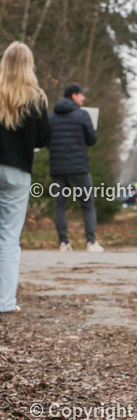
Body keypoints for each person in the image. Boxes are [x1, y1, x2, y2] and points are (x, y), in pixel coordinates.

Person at [0, 42, 50, 313]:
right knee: (8, 237)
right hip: (17, 172)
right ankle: (5, 302)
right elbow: (44, 137)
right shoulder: (36, 97)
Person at [48, 82, 102, 252]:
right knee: (87, 205)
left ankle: (63, 242)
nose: (83, 97)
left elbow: (47, 141)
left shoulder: (50, 118)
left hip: (58, 169)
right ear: (73, 96)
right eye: (81, 94)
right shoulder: (83, 115)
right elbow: (92, 140)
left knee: (60, 206)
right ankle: (91, 242)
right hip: (79, 169)